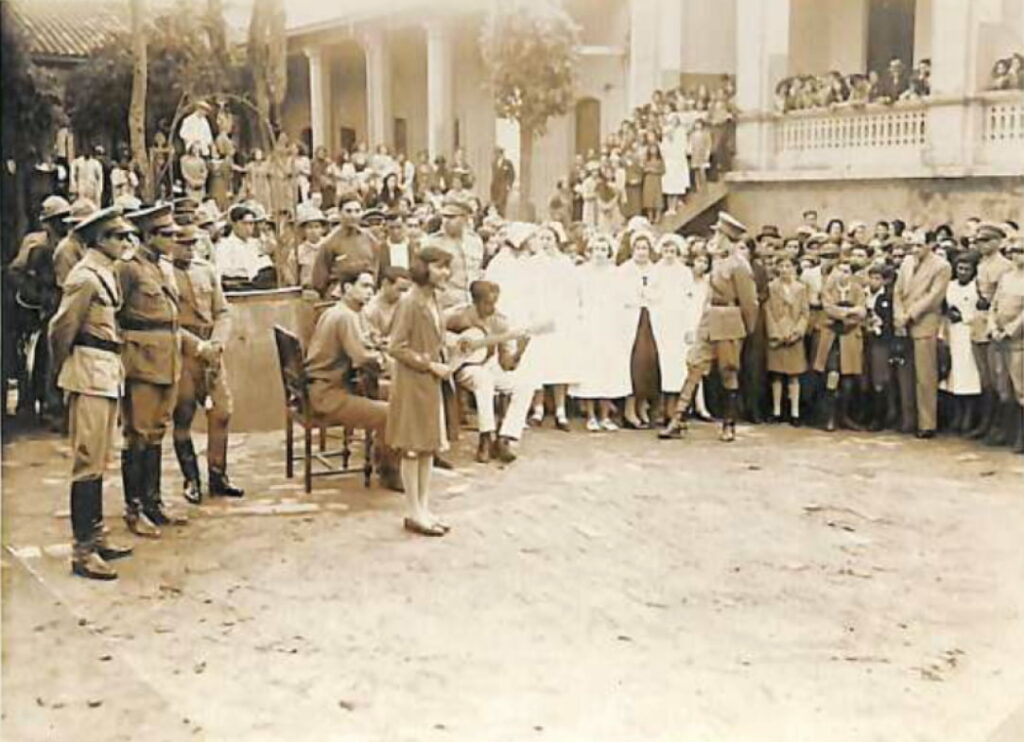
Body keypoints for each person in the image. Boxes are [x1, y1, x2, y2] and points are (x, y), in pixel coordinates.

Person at [47, 206, 136, 579]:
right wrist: (63, 369)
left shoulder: (105, 272)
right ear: (100, 240)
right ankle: (82, 550)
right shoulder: (84, 277)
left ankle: (96, 535)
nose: (125, 242)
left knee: (99, 459)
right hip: (88, 370)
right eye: (118, 237)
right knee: (87, 460)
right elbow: (61, 328)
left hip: (105, 370)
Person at [118, 204, 204, 537]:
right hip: (140, 362)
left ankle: (152, 503)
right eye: (165, 234)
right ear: (148, 236)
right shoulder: (129, 268)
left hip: (167, 360)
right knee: (137, 436)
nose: (172, 239)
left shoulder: (160, 267)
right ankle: (134, 509)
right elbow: (116, 314)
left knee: (155, 434)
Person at [659, 212, 758, 442]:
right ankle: (678, 419)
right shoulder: (718, 260)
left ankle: (729, 423)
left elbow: (749, 302)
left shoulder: (739, 265)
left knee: (728, 371)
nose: (714, 236)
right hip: (710, 317)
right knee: (694, 365)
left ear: (727, 237)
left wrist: (746, 328)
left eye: (718, 233)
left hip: (729, 319)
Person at [304, 265, 403, 491]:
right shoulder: (345, 316)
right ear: (348, 287)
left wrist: (378, 346)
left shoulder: (339, 311)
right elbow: (360, 357)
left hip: (323, 386)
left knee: (395, 395)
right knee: (391, 412)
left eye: (372, 286)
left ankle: (382, 456)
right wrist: (385, 360)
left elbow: (361, 344)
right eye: (365, 286)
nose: (370, 291)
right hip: (328, 394)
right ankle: (389, 471)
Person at [170, 225, 243, 503]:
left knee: (222, 411)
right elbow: (169, 321)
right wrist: (197, 347)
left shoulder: (206, 270)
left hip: (211, 352)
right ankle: (191, 478)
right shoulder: (165, 274)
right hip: (183, 353)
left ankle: (218, 475)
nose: (188, 249)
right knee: (183, 413)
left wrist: (217, 343)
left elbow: (222, 311)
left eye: (192, 244)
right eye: (182, 244)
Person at [386, 247, 455, 536]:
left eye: (446, 268)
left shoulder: (434, 299)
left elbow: (435, 336)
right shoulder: (410, 302)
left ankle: (424, 507)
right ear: (424, 268)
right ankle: (413, 510)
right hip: (413, 383)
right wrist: (430, 365)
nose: (445, 273)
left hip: (429, 383)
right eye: (439, 267)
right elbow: (396, 346)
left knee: (427, 447)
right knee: (413, 449)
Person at [446, 280, 535, 463]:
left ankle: (505, 437)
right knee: (484, 380)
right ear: (475, 302)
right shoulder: (459, 316)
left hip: (486, 364)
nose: (492, 308)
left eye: (495, 303)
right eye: (487, 303)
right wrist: (454, 343)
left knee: (524, 384)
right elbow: (435, 330)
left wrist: (519, 351)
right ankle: (485, 437)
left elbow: (506, 364)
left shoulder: (500, 322)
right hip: (463, 366)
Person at [894, 230, 952, 438]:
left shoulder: (941, 266)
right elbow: (898, 292)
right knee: (905, 374)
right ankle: (908, 419)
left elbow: (934, 297)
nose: (915, 250)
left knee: (925, 376)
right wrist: (899, 316)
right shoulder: (907, 263)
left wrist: (910, 314)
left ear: (930, 244)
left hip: (925, 323)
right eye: (912, 246)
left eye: (919, 245)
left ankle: (927, 423)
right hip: (904, 324)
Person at [572, 233, 632, 431]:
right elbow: (576, 298)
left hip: (609, 325)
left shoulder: (616, 274)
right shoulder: (581, 272)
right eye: (596, 249)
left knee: (608, 369)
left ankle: (605, 416)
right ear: (590, 252)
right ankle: (590, 416)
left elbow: (622, 300)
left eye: (603, 250)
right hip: (588, 325)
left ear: (609, 253)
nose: (599, 253)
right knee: (590, 370)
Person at [968, 223, 1012, 441]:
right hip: (979, 323)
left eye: (986, 240)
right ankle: (988, 423)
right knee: (984, 378)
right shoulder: (981, 263)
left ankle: (1002, 427)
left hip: (995, 324)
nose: (981, 245)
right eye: (978, 241)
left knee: (999, 379)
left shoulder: (1004, 266)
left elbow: (999, 298)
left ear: (997, 241)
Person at [813, 259, 867, 432]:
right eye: (840, 270)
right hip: (832, 338)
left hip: (850, 337)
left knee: (849, 380)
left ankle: (845, 416)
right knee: (832, 375)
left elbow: (862, 311)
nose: (843, 274)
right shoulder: (828, 289)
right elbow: (829, 309)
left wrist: (847, 312)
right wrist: (849, 311)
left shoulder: (857, 290)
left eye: (847, 270)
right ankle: (830, 416)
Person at [650, 233, 697, 423]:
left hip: (678, 323)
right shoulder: (655, 271)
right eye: (666, 250)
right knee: (660, 364)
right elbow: (649, 293)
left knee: (677, 366)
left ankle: (675, 409)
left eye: (672, 251)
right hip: (661, 322)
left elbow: (689, 300)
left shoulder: (684, 272)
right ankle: (659, 408)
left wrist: (689, 326)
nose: (669, 254)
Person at [620, 230, 661, 428]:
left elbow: (660, 294)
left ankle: (643, 403)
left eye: (645, 248)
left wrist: (649, 296)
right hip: (629, 320)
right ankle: (629, 408)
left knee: (649, 361)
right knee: (633, 362)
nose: (642, 252)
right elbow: (620, 296)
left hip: (650, 318)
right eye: (638, 248)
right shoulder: (624, 270)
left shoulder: (655, 270)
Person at [988, 240, 1024, 453]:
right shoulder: (1006, 278)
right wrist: (993, 326)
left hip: (1018, 341)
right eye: (1013, 252)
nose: (1016, 256)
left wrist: (1010, 331)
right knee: (1003, 386)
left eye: (1021, 252)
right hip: (999, 339)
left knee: (1020, 387)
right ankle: (1006, 431)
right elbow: (994, 305)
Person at [765, 256, 809, 424]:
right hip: (777, 333)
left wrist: (798, 332)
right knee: (776, 374)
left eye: (788, 266)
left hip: (794, 334)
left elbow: (805, 313)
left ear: (794, 268)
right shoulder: (771, 287)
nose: (785, 269)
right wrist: (775, 332)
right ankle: (776, 411)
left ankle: (795, 412)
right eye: (781, 266)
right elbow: (768, 311)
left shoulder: (801, 288)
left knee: (794, 375)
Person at [942, 252, 982, 432]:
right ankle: (957, 414)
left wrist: (964, 317)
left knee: (970, 375)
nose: (963, 272)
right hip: (953, 333)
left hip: (969, 332)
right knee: (954, 374)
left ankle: (969, 416)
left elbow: (981, 313)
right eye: (960, 268)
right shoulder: (950, 286)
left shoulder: (976, 288)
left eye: (967, 269)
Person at [421, 195, 484, 309]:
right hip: (444, 305)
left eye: (452, 217)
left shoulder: (475, 241)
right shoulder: (432, 242)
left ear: (464, 218)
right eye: (444, 216)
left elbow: (477, 271)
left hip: (471, 303)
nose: (446, 221)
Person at [311, 197, 380, 297]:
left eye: (357, 211)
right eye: (348, 211)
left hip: (366, 296)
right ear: (339, 213)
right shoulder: (330, 242)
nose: (353, 216)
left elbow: (376, 268)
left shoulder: (371, 239)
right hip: (340, 297)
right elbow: (319, 281)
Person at [215, 204, 277, 290]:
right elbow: (221, 272)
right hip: (237, 286)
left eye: (251, 224)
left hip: (257, 284)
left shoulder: (255, 244)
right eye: (244, 224)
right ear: (234, 224)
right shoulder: (225, 245)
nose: (248, 228)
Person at [363, 266, 412, 346]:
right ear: (385, 283)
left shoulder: (406, 302)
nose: (402, 294)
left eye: (405, 290)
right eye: (400, 289)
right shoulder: (370, 309)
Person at [290, 206, 328, 290]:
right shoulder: (298, 251)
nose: (313, 231)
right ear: (304, 230)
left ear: (323, 229)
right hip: (306, 290)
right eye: (310, 227)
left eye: (317, 227)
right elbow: (293, 276)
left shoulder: (329, 247)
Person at [641, 143, 666, 223]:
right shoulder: (646, 160)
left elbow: (663, 170)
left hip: (656, 181)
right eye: (651, 148)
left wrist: (654, 170)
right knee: (649, 199)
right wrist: (647, 169)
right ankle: (650, 217)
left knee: (657, 198)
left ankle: (658, 217)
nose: (653, 150)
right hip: (648, 181)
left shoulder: (660, 160)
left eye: (654, 148)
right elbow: (643, 169)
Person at [490, 148, 516, 216]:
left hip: (503, 186)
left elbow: (512, 174)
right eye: (496, 153)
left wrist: (509, 185)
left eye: (499, 153)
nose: (497, 155)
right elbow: (494, 176)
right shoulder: (494, 163)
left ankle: (502, 217)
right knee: (495, 204)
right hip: (495, 187)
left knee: (502, 203)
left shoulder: (508, 163)